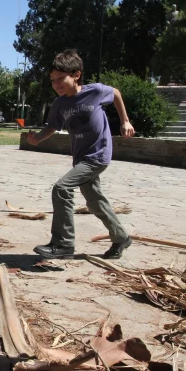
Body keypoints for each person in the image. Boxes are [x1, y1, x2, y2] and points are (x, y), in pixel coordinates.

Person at [27, 49, 135, 260]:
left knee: (62, 187)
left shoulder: (94, 91)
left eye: (61, 79)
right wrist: (38, 138)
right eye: (53, 80)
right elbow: (52, 127)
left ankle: (63, 243)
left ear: (76, 75)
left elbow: (116, 94)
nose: (56, 84)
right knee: (95, 202)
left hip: (98, 154)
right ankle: (121, 237)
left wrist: (125, 121)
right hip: (81, 158)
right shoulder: (59, 104)